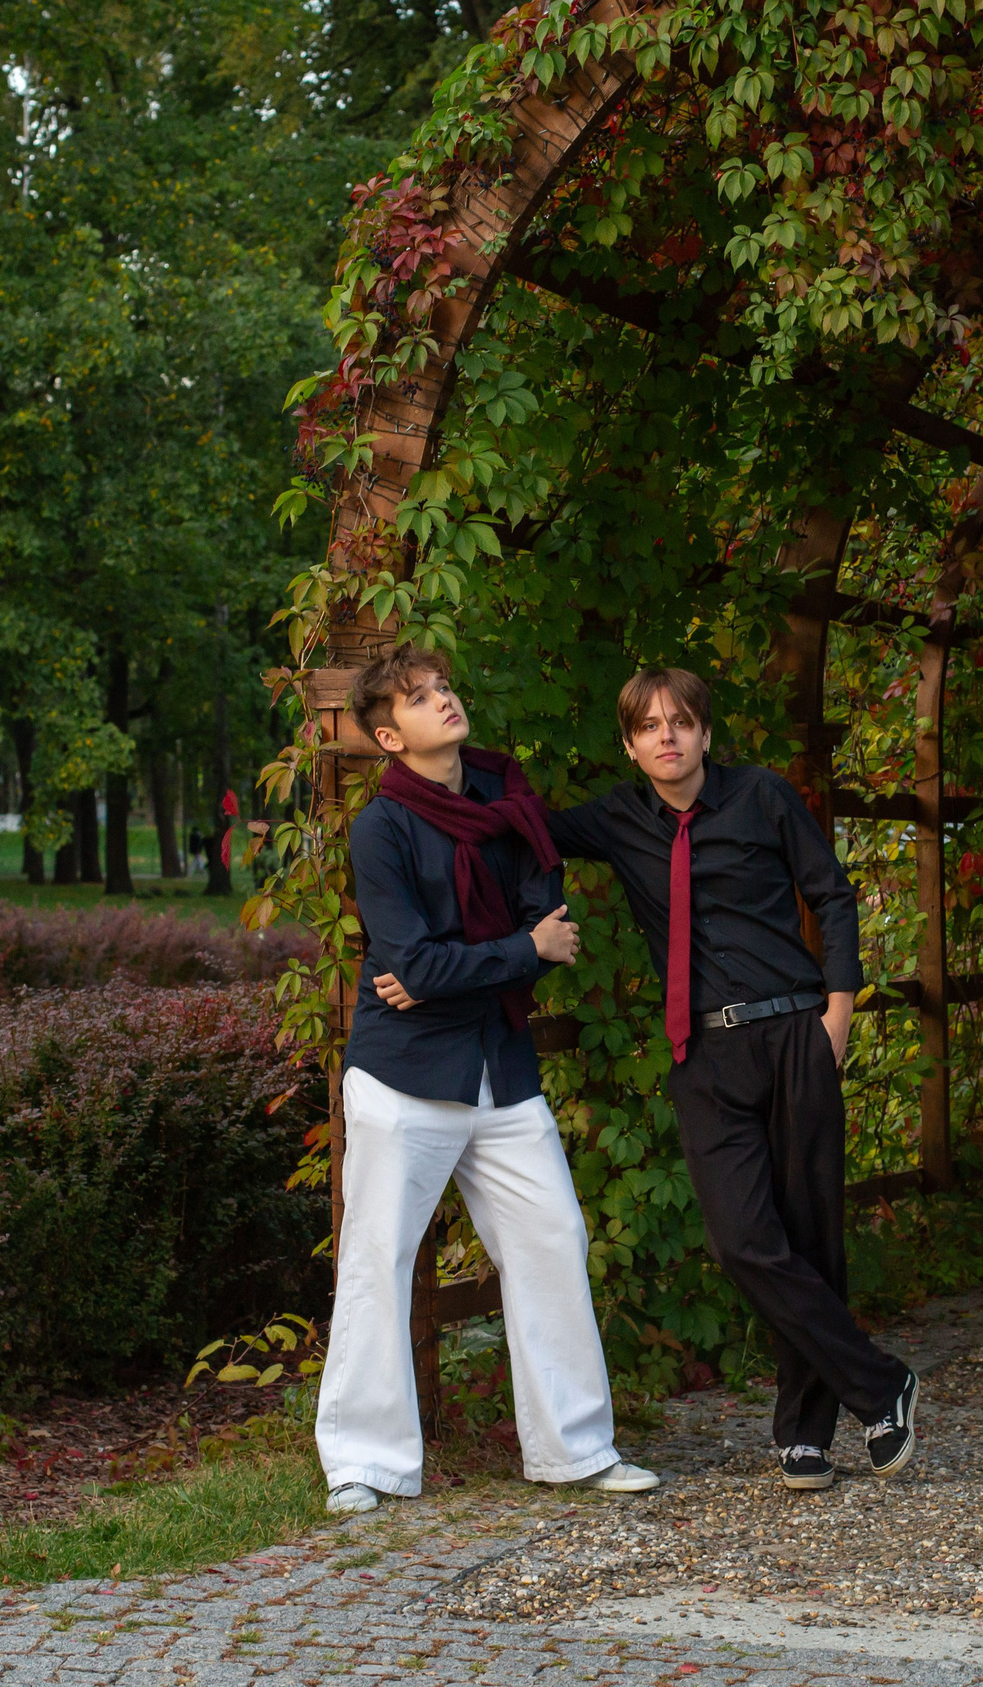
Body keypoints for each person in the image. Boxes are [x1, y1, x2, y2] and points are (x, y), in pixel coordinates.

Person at [377, 666, 917, 1492]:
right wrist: (425, 964)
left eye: (682, 722)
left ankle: (804, 1435)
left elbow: (833, 896)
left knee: (810, 1236)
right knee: (744, 1242)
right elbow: (504, 831)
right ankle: (881, 1385)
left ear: (705, 732)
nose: (668, 737)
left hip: (792, 1032)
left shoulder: (764, 797)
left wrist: (836, 1017)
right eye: (650, 727)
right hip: (701, 1055)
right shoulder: (614, 820)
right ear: (629, 745)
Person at [319, 643, 659, 1515]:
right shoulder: (382, 828)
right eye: (421, 699)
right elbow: (412, 960)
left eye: (443, 688)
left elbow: (545, 932)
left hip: (500, 1070)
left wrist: (467, 964)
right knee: (378, 1259)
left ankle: (574, 1450)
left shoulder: (512, 806)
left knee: (552, 1240)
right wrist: (506, 954)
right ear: (392, 739)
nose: (445, 701)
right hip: (404, 1076)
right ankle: (364, 1463)